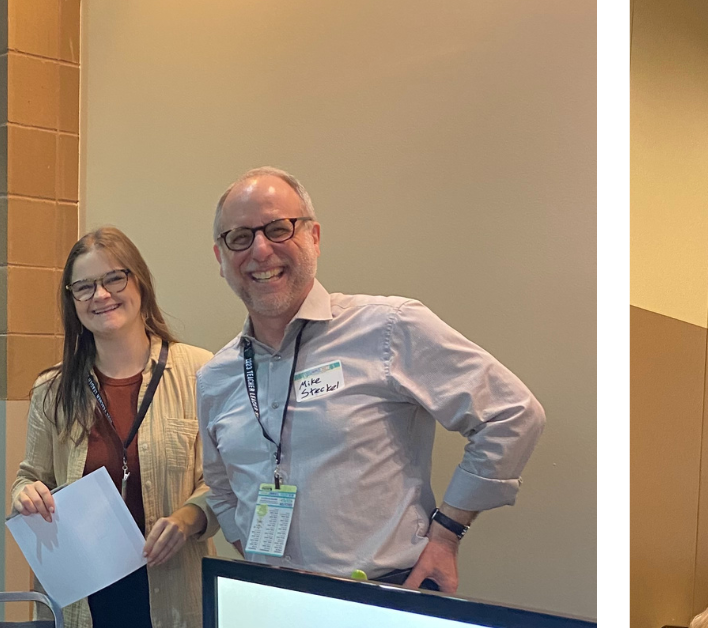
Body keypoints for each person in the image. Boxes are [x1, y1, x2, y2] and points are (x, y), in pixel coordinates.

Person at [196, 167, 544, 592]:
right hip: (273, 606)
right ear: (220, 258)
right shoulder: (216, 377)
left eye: (278, 229)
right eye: (240, 237)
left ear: (314, 237)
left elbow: (512, 414)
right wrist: (250, 548)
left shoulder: (388, 328)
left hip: (386, 597)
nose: (261, 250)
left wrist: (448, 531)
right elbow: (220, 486)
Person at [11, 228, 216, 628]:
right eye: (83, 287)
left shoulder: (201, 373)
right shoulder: (53, 390)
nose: (100, 295)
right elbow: (30, 477)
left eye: (114, 279)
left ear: (139, 282)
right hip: (84, 609)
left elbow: (223, 485)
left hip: (173, 601)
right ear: (72, 301)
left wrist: (188, 519)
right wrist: (25, 494)